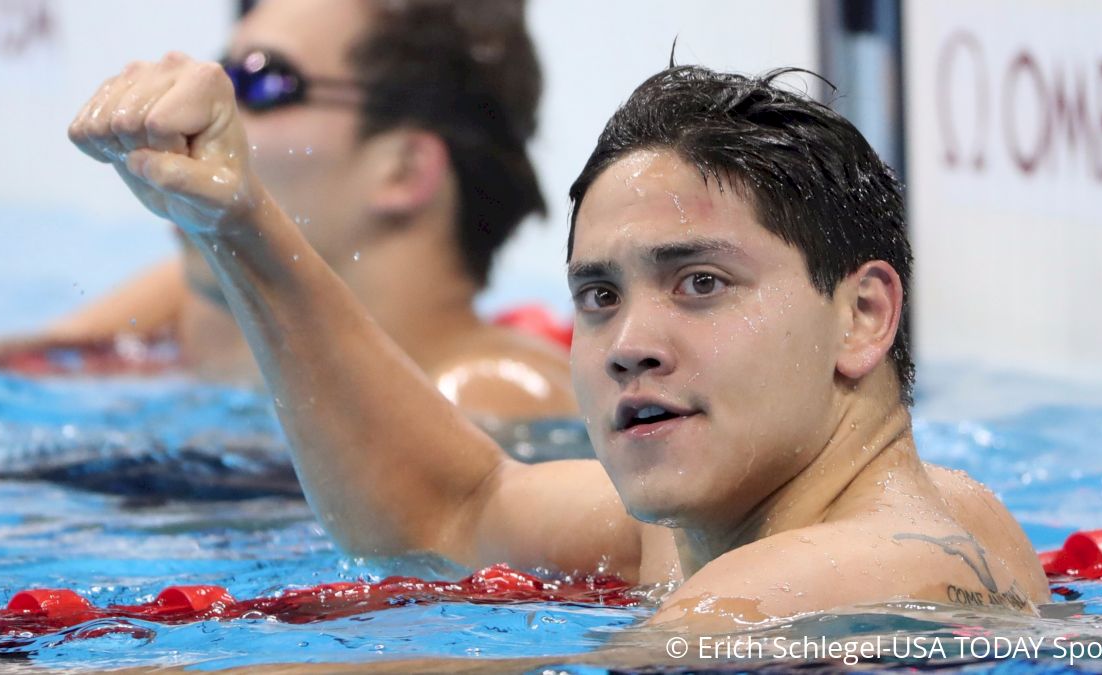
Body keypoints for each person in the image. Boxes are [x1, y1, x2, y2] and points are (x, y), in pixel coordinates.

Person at [67, 54, 1050, 628]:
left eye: (699, 283)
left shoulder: (804, 588)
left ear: (864, 316)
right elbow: (450, 506)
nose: (630, 343)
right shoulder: (742, 528)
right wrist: (235, 222)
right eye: (599, 296)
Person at [0, 0, 575, 420]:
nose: (194, 115)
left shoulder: (487, 399)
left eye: (260, 82)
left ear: (404, 169)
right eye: (217, 76)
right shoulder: (215, 310)